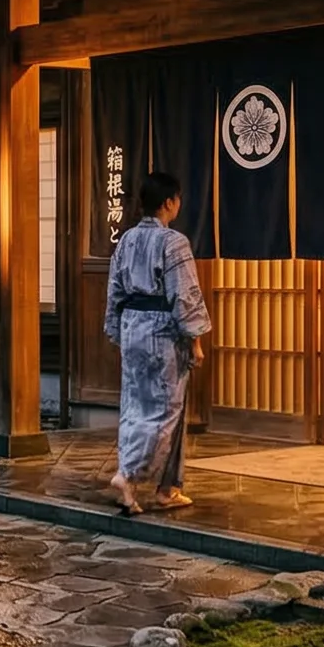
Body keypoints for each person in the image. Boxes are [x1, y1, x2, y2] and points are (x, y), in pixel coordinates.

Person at [104, 171, 210, 513]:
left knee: (135, 406)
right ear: (169, 202)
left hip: (133, 326)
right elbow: (185, 295)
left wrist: (117, 330)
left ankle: (167, 487)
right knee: (164, 410)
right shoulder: (173, 243)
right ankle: (129, 473)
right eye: (177, 199)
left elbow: (115, 291)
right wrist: (194, 340)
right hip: (163, 331)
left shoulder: (127, 241)